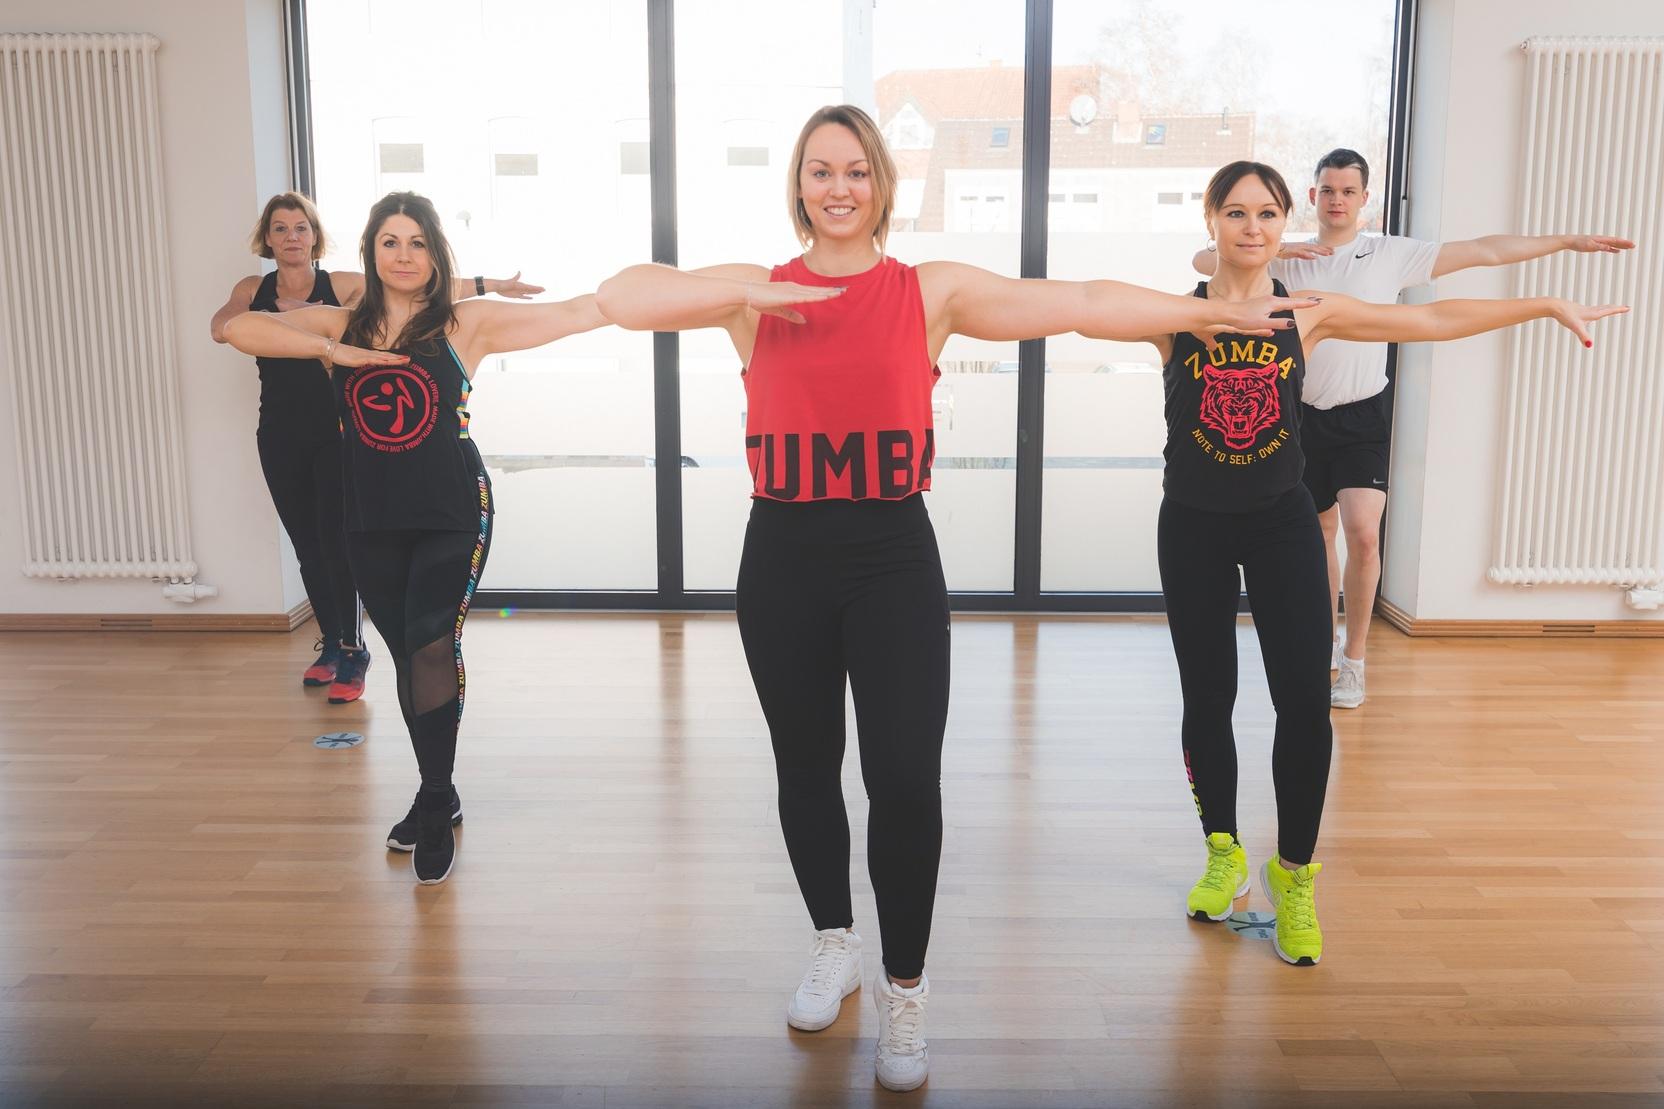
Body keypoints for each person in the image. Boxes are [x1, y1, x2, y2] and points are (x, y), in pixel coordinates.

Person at [595, 105, 1311, 1092]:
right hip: (783, 554)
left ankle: (905, 985)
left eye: (854, 170)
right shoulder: (751, 299)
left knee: (903, 780)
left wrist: (1198, 313)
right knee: (805, 766)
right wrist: (744, 284)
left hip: (891, 555)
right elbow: (621, 294)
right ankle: (833, 941)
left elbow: (1078, 299)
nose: (836, 186)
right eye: (818, 171)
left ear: (880, 184)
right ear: (797, 185)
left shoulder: (924, 292)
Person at [1159, 161, 1624, 966]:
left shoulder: (1311, 312)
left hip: (1281, 523)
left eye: (1266, 212)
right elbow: (1071, 304)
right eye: (1235, 212)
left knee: (1304, 703)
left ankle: (1294, 874)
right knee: (1209, 698)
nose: (1252, 227)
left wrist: (1543, 302)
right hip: (1193, 527)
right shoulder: (1170, 316)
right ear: (1210, 220)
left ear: (1282, 223)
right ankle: (1223, 851)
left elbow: (1436, 321)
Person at [224, 191, 604, 884]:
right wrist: (336, 351)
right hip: (370, 514)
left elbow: (580, 313)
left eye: (417, 242)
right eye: (390, 241)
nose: (403, 255)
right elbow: (238, 331)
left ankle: (433, 800)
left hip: (453, 506)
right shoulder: (342, 321)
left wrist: (638, 296)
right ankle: (442, 783)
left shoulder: (465, 323)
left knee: (432, 641)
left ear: (436, 254)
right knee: (406, 653)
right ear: (370, 250)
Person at [1193, 150, 1633, 707]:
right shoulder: (1284, 252)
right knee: (1320, 535)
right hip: (1297, 415)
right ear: (1312, 197)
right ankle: (1324, 642)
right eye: (1327, 190)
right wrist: (1271, 247)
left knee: (1363, 533)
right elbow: (1204, 263)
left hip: (1361, 415)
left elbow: (1485, 251)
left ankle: (1354, 658)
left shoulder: (1390, 254)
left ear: (1363, 198)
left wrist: (1566, 243)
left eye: (1348, 191)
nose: (1336, 200)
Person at [208, 191, 540, 702]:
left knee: (340, 540)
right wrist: (321, 339)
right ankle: (333, 644)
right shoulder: (253, 288)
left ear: (315, 236)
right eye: (281, 228)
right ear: (268, 237)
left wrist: (488, 284)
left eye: (301, 228)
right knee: (307, 545)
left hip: (344, 432)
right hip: (280, 428)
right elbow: (224, 330)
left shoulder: (341, 287)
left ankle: (352, 645)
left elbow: (414, 284)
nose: (292, 237)